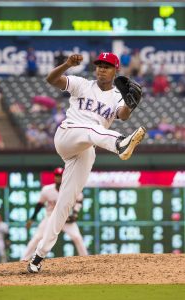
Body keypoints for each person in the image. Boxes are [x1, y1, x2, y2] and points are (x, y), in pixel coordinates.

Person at [27, 52, 146, 273]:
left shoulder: (117, 97)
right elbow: (51, 80)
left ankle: (37, 257)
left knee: (65, 204)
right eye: (99, 65)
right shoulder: (82, 84)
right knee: (93, 129)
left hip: (85, 148)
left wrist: (131, 104)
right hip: (68, 135)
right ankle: (120, 143)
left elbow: (124, 115)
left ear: (115, 70)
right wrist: (66, 65)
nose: (101, 69)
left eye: (107, 66)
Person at [22, 167, 87, 261]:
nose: (58, 177)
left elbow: (79, 200)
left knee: (77, 237)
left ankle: (86, 259)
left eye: (60, 175)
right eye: (57, 175)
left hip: (65, 218)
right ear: (54, 177)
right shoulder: (47, 190)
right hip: (50, 218)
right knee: (37, 238)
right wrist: (32, 219)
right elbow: (39, 205)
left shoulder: (72, 188)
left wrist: (75, 213)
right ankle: (23, 260)